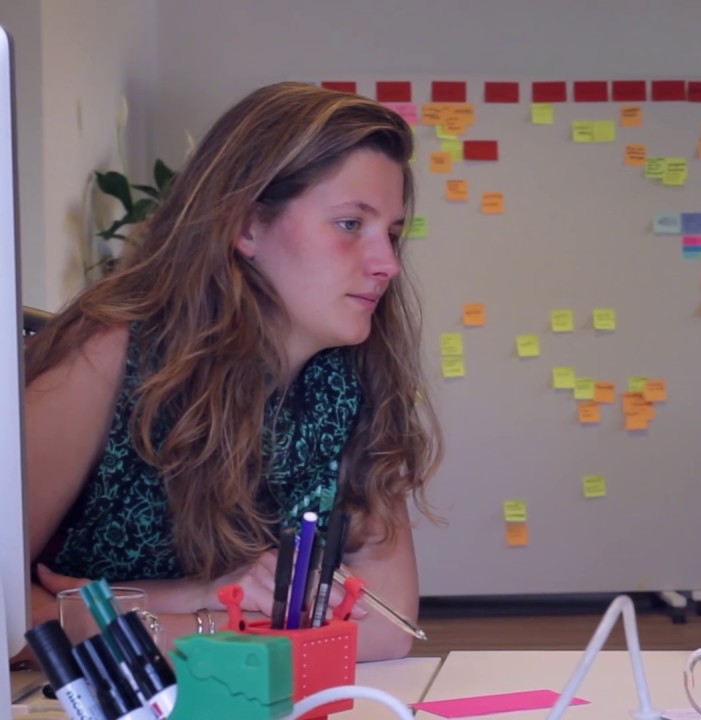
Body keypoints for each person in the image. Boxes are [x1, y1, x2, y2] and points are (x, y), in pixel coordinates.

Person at [22, 81, 441, 661]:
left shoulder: (355, 379)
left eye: (391, 234)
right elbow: (13, 619)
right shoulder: (109, 357)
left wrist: (111, 612)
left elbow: (387, 628)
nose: (388, 264)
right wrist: (206, 601)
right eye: (350, 224)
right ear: (245, 225)